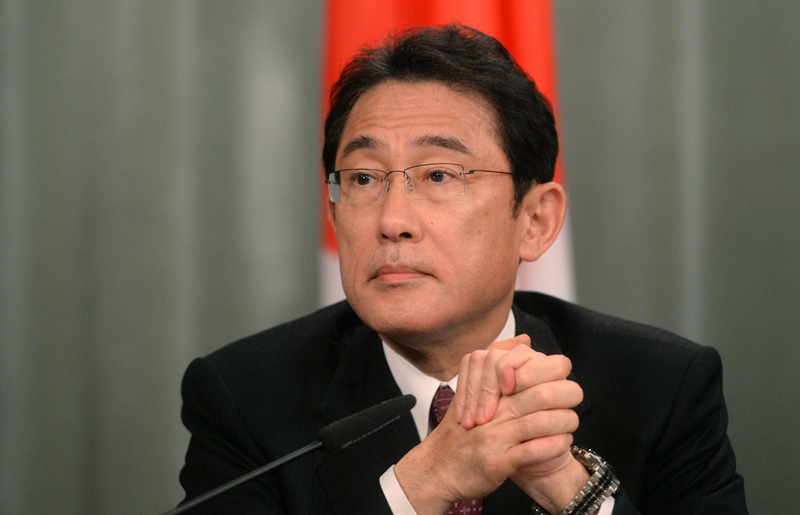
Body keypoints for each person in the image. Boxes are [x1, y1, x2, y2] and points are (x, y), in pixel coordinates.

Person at [177, 24, 748, 514]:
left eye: (439, 175)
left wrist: (570, 489)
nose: (392, 221)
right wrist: (422, 486)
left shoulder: (662, 387)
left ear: (535, 221)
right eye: (364, 178)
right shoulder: (245, 396)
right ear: (333, 210)